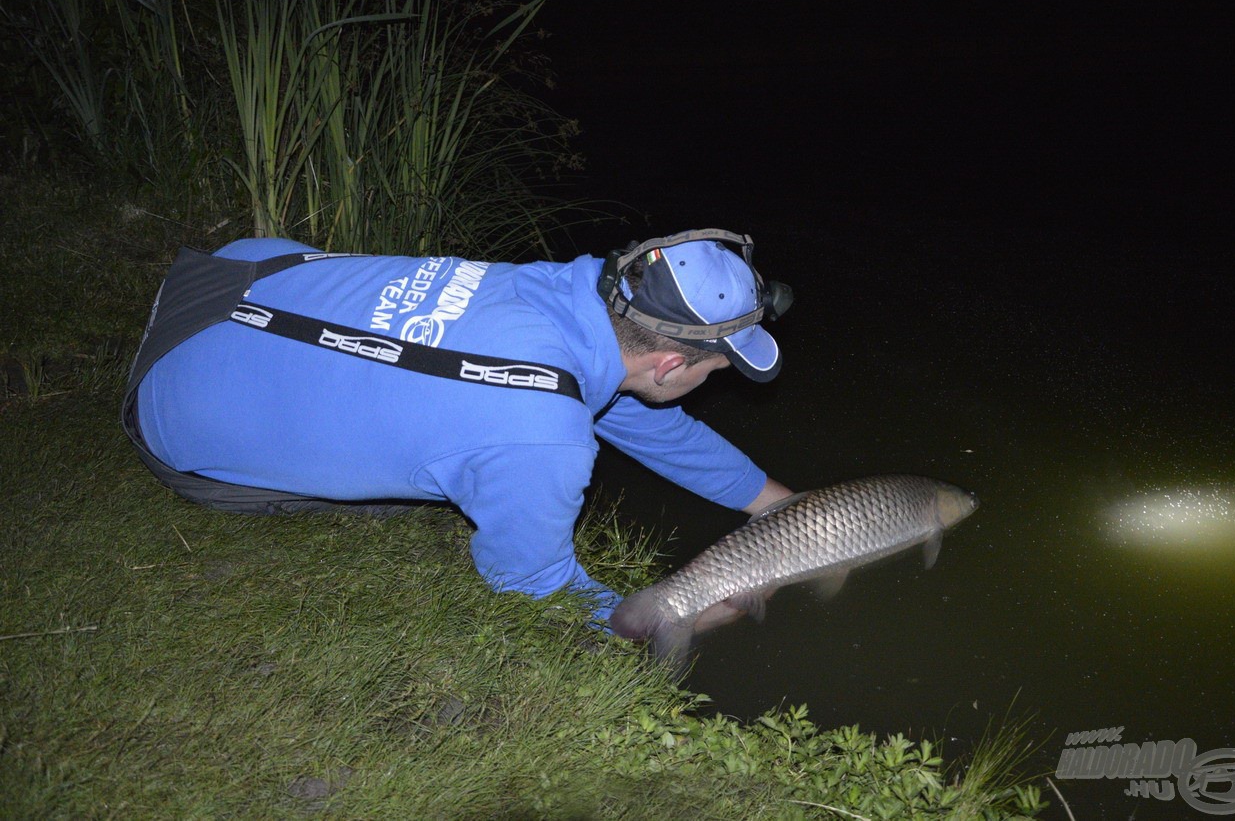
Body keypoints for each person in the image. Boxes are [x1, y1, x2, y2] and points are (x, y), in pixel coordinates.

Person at [121, 228, 793, 624]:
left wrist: (775, 504)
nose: (707, 384)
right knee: (414, 483)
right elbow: (531, 582)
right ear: (674, 363)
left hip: (214, 285)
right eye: (713, 371)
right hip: (169, 426)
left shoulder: (570, 287)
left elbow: (643, 417)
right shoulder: (544, 435)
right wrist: (673, 615)